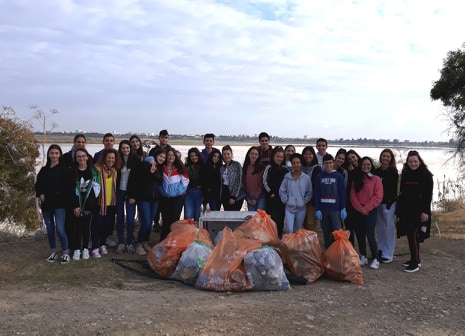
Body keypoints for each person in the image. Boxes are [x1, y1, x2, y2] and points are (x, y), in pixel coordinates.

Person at [396, 150, 433, 273]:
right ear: (407, 162)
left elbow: (428, 196)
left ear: (420, 161)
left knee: (414, 235)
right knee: (410, 236)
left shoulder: (426, 175)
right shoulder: (406, 173)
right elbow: (402, 192)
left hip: (419, 211)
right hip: (407, 210)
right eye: (411, 161)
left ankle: (415, 262)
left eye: (415, 161)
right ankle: (414, 258)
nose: (413, 164)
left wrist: (426, 212)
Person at [35, 144, 71, 264]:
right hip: (46, 204)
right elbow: (38, 185)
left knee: (60, 229)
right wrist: (40, 194)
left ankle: (65, 253)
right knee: (50, 229)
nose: (54, 155)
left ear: (60, 154)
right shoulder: (44, 170)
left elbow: (68, 187)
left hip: (60, 204)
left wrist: (60, 195)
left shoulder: (64, 169)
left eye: (56, 153)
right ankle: (53, 252)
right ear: (49, 155)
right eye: (52, 153)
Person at [128, 150, 165, 255]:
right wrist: (150, 172)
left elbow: (160, 182)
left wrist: (155, 173)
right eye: (160, 156)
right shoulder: (144, 165)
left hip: (155, 200)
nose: (162, 159)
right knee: (146, 222)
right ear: (156, 156)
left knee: (150, 223)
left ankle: (145, 242)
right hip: (143, 198)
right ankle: (139, 244)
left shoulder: (161, 168)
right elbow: (138, 181)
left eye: (164, 157)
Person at [350, 156, 383, 270]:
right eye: (364, 164)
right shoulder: (357, 179)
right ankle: (363, 255)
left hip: (371, 211)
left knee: (370, 235)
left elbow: (378, 197)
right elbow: (353, 196)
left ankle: (375, 258)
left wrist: (367, 208)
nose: (366, 166)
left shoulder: (376, 179)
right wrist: (360, 209)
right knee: (360, 234)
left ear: (371, 166)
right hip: (358, 210)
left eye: (368, 164)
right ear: (360, 166)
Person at [70, 148, 100, 261]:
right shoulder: (72, 172)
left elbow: (96, 190)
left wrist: (89, 206)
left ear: (87, 157)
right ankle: (77, 249)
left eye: (83, 156)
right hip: (76, 204)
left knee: (87, 227)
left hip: (89, 205)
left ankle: (86, 248)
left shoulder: (93, 172)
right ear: (76, 158)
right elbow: (70, 190)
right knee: (77, 227)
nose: (81, 158)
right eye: (79, 156)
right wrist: (75, 206)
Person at [91, 148, 120, 258]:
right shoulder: (96, 169)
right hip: (99, 203)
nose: (111, 160)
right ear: (104, 158)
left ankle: (102, 244)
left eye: (113, 158)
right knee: (97, 226)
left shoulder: (114, 171)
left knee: (105, 226)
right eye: (109, 158)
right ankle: (94, 247)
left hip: (110, 203)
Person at [314, 154, 347, 249]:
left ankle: (338, 250)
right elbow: (317, 193)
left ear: (333, 163)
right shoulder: (319, 176)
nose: (328, 165)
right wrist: (317, 208)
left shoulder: (338, 176)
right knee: (326, 232)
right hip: (323, 209)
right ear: (323, 164)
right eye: (326, 163)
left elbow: (342, 192)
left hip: (335, 209)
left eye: (330, 163)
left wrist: (343, 208)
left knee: (337, 232)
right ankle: (328, 250)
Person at [158, 147, 189, 241]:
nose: (171, 157)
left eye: (173, 155)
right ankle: (163, 241)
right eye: (169, 155)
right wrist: (162, 191)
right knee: (165, 220)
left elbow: (186, 181)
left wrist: (177, 192)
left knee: (174, 220)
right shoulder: (161, 167)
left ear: (175, 157)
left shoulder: (180, 168)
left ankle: (173, 242)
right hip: (164, 198)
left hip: (177, 198)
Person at [374, 149, 399, 264]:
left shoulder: (393, 172)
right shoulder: (377, 171)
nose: (385, 158)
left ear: (391, 158)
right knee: (380, 228)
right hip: (377, 203)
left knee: (389, 228)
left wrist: (389, 202)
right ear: (380, 157)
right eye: (383, 156)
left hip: (388, 204)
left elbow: (393, 189)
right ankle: (381, 249)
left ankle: (389, 253)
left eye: (388, 156)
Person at [279, 153, 312, 234]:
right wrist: (286, 201)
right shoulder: (287, 177)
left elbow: (309, 192)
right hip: (289, 208)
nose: (295, 165)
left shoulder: (306, 178)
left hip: (301, 208)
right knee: (289, 229)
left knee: (298, 229)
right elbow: (282, 190)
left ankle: (296, 246)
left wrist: (304, 201)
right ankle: (289, 245)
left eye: (298, 163)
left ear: (301, 164)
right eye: (293, 163)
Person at [115, 140, 137, 254]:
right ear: (120, 149)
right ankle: (121, 243)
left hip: (130, 194)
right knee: (119, 218)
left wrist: (134, 195)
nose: (125, 150)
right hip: (119, 192)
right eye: (123, 148)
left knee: (130, 219)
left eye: (127, 148)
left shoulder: (135, 160)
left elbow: (138, 180)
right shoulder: (117, 160)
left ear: (130, 148)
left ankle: (129, 243)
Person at [263, 146, 287, 237]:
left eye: (281, 157)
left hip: (282, 200)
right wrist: (270, 192)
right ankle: (272, 240)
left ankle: (279, 240)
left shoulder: (285, 169)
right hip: (272, 199)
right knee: (273, 220)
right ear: (273, 156)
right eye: (277, 156)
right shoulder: (269, 167)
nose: (279, 159)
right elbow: (264, 181)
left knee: (281, 220)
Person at [301, 146, 322, 231]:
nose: (307, 156)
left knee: (310, 223)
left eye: (310, 154)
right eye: (305, 154)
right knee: (303, 222)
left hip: (311, 201)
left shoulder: (317, 168)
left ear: (313, 155)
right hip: (300, 200)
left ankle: (312, 242)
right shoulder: (300, 167)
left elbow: (318, 187)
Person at [220, 145, 245, 211]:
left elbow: (238, 181)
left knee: (234, 214)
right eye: (224, 154)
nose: (226, 156)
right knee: (227, 213)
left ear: (231, 154)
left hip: (236, 194)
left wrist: (233, 197)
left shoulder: (237, 165)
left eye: (228, 154)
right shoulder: (222, 167)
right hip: (225, 193)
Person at [345, 149, 362, 245]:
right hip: (349, 202)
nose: (352, 160)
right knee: (349, 228)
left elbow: (359, 184)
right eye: (349, 159)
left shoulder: (364, 168)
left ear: (357, 156)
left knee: (359, 229)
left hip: (360, 202)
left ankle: (362, 253)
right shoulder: (348, 170)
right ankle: (351, 249)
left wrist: (353, 172)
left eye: (353, 157)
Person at [242, 146, 265, 211]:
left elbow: (261, 184)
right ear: (249, 154)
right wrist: (247, 198)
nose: (254, 156)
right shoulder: (245, 168)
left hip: (260, 196)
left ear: (258, 156)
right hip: (249, 197)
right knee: (252, 218)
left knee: (260, 217)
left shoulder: (261, 168)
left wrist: (256, 198)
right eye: (252, 153)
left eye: (256, 154)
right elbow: (243, 184)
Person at [184, 147, 204, 221]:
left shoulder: (202, 166)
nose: (194, 157)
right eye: (191, 156)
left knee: (197, 216)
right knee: (188, 215)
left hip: (199, 192)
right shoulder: (186, 167)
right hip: (189, 192)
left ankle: (197, 232)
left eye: (195, 155)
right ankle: (188, 232)